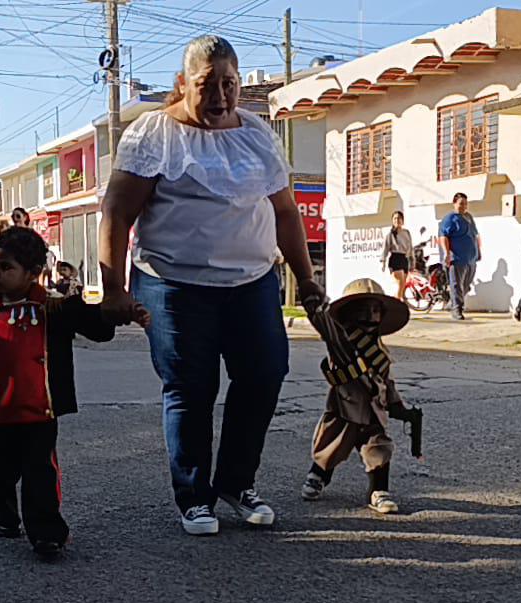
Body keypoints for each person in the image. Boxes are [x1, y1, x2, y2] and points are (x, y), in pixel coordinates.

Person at [98, 35, 325, 535]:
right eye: (208, 84)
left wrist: (306, 282)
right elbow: (116, 210)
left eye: (230, 83)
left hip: (252, 282)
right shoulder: (153, 133)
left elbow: (285, 212)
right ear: (182, 84)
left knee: (265, 375)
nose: (221, 95)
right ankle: (194, 496)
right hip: (174, 285)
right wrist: (113, 287)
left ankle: (235, 483)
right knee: (190, 388)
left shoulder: (257, 134)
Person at [0, 226, 149, 557]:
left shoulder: (56, 309)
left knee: (40, 472)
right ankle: (5, 516)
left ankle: (46, 533)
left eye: (5, 267)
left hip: (41, 409)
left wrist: (121, 311)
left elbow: (98, 327)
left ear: (34, 273)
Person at [302, 278, 413, 514]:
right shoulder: (343, 341)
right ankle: (318, 475)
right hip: (345, 409)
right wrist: (313, 302)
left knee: (379, 448)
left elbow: (386, 379)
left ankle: (378, 491)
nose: (370, 317)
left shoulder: (379, 349)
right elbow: (325, 326)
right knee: (330, 448)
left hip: (374, 410)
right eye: (363, 310)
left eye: (375, 310)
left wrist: (397, 404)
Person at [437, 192, 481, 320]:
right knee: (456, 285)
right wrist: (446, 253)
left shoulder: (469, 217)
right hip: (457, 258)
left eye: (465, 204)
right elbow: (443, 236)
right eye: (461, 204)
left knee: (466, 285)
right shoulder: (450, 219)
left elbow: (474, 235)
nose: (463, 206)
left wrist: (478, 251)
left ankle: (454, 303)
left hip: (471, 258)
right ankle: (457, 309)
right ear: (454, 204)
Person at [381, 210, 414, 304]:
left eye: (399, 218)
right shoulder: (390, 235)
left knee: (403, 286)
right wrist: (383, 262)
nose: (397, 220)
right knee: (400, 282)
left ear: (402, 220)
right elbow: (385, 248)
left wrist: (412, 260)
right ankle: (398, 303)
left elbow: (410, 247)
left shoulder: (406, 232)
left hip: (404, 258)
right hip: (395, 258)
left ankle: (395, 302)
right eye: (395, 218)